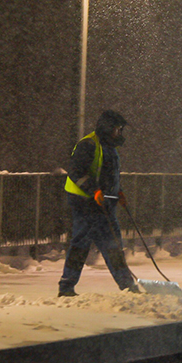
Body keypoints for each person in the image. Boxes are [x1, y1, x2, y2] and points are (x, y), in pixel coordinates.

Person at [57, 110, 140, 297]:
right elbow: (76, 172)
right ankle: (67, 286)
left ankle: (127, 285)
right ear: (107, 128)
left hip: (104, 202)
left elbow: (108, 175)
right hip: (84, 202)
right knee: (84, 243)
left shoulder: (109, 147)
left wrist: (118, 192)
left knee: (112, 243)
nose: (119, 133)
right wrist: (93, 190)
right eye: (117, 129)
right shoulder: (88, 145)